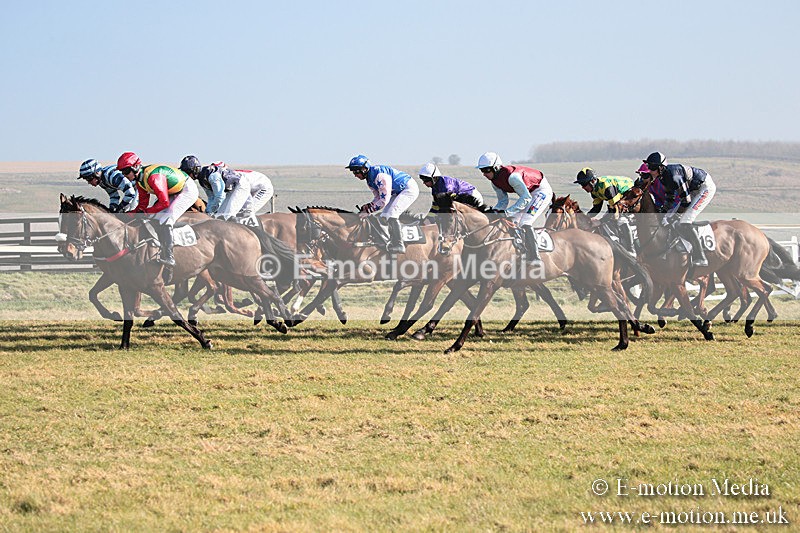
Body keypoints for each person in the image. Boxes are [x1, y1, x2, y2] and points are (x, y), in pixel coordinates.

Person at [117, 152, 199, 267]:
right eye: (122, 172)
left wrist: (145, 212)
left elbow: (164, 203)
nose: (124, 175)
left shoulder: (153, 178)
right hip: (173, 191)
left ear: (135, 167)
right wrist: (127, 215)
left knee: (166, 219)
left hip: (187, 190)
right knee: (152, 217)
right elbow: (142, 206)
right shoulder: (140, 181)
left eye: (126, 171)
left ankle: (170, 257)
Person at [642, 151, 717, 267]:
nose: (650, 170)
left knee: (685, 220)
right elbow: (670, 197)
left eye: (652, 167)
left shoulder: (673, 176)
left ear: (661, 168)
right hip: (692, 189)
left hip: (704, 188)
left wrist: (675, 216)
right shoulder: (662, 177)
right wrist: (663, 212)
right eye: (648, 167)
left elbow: (686, 201)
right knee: (666, 218)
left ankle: (700, 256)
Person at [477, 151, 553, 263]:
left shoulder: (512, 177)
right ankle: (519, 251)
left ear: (496, 167)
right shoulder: (494, 182)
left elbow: (526, 198)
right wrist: (494, 211)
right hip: (528, 193)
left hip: (541, 192)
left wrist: (507, 212)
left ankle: (534, 257)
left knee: (525, 221)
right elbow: (503, 201)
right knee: (513, 221)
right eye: (482, 170)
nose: (484, 174)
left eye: (486, 170)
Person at [347, 154, 419, 254]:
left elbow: (384, 200)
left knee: (392, 214)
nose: (355, 174)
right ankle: (390, 241)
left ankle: (399, 245)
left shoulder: (380, 176)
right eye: (353, 172)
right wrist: (369, 205)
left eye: (356, 171)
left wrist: (368, 211)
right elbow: (378, 198)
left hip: (408, 189)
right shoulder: (369, 180)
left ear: (364, 169)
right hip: (396, 192)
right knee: (384, 216)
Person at [179, 155, 273, 222]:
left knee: (232, 216)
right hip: (240, 187)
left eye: (187, 173)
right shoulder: (202, 180)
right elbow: (212, 198)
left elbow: (220, 196)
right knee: (220, 215)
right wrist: (208, 212)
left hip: (261, 187)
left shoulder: (211, 176)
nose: (186, 176)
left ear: (195, 170)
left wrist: (210, 212)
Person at [574, 168, 636, 255]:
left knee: (620, 220)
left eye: (584, 184)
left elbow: (615, 211)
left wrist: (600, 221)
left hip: (629, 192)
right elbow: (596, 208)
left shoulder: (607, 188)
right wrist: (585, 218)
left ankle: (631, 250)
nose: (583, 187)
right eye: (581, 184)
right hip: (616, 200)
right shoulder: (594, 191)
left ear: (592, 181)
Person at [419, 162, 483, 215]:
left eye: (426, 180)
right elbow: (435, 206)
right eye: (423, 180)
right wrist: (428, 218)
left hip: (472, 196)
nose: (424, 183)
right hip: (461, 200)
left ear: (434, 178)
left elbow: (445, 208)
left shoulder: (446, 186)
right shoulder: (435, 187)